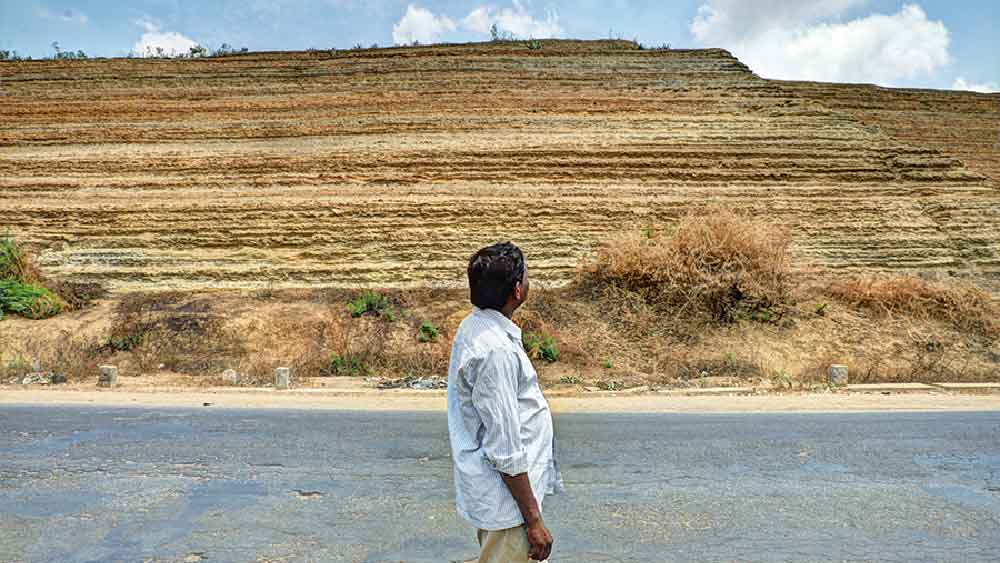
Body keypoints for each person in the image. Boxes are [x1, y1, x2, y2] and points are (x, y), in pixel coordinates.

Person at [447, 241, 564, 563]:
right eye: (526, 275)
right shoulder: (495, 351)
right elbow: (505, 448)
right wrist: (534, 520)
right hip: (507, 506)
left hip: (502, 498)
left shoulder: (477, 326)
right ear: (517, 289)